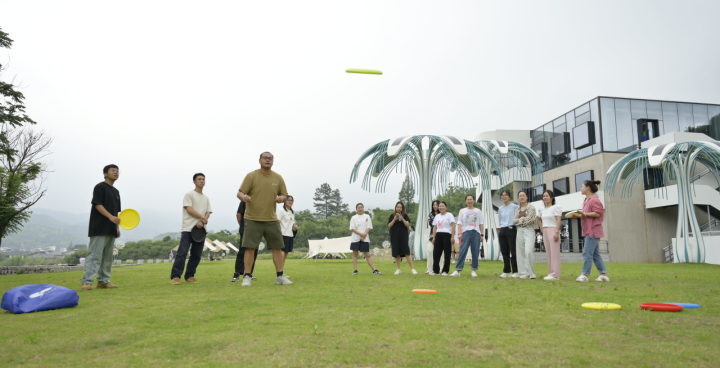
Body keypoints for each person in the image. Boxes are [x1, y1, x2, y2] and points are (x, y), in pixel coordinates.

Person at [236, 152, 291, 286]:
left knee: (277, 247)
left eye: (270, 158)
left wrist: (281, 198)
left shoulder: (278, 178)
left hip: (271, 219)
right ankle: (247, 277)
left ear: (273, 161)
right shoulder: (252, 176)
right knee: (250, 248)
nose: (267, 160)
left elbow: (285, 195)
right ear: (259, 160)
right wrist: (244, 197)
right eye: (265, 158)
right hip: (252, 218)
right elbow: (240, 192)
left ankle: (280, 276)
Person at [81, 164, 121, 290]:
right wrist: (110, 217)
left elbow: (116, 212)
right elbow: (97, 204)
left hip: (111, 228)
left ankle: (103, 281)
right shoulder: (100, 187)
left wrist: (117, 228)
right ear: (105, 173)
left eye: (117, 171)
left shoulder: (116, 192)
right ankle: (87, 281)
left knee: (107, 257)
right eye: (113, 171)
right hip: (99, 227)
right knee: (94, 256)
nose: (116, 173)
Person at [171, 173, 212, 285]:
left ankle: (189, 275)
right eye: (199, 179)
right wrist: (202, 217)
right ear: (194, 181)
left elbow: (208, 211)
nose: (202, 181)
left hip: (201, 230)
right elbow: (189, 209)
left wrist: (203, 221)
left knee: (197, 254)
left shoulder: (206, 198)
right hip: (188, 228)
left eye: (203, 179)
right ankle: (175, 276)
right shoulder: (189, 195)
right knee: (182, 252)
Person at [569, 180, 609, 282]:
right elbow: (586, 214)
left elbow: (597, 213)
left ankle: (585, 275)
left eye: (582, 186)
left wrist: (584, 214)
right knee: (595, 254)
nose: (581, 188)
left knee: (587, 252)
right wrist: (578, 215)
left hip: (594, 231)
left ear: (588, 188)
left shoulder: (594, 200)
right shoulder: (586, 200)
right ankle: (603, 274)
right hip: (588, 231)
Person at [450, 195, 484, 278]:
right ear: (466, 201)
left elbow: (481, 223)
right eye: (468, 199)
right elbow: (459, 223)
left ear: (473, 200)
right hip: (465, 232)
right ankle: (457, 270)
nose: (469, 201)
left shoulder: (478, 211)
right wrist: (459, 233)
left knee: (475, 251)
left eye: (471, 199)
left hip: (476, 232)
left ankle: (474, 270)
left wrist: (482, 234)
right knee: (462, 251)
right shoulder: (462, 211)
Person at [349, 203, 381, 275]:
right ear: (356, 209)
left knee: (367, 254)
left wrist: (364, 236)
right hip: (355, 238)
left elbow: (368, 226)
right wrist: (361, 234)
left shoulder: (367, 216)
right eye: (358, 208)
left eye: (361, 207)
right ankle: (355, 270)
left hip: (365, 238)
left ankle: (375, 270)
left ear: (363, 208)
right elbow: (353, 228)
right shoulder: (354, 217)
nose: (360, 209)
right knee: (355, 254)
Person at [231, 200, 258, 282]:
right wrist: (242, 226)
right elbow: (238, 214)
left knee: (254, 251)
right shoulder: (244, 201)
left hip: (257, 230)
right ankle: (237, 274)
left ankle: (249, 273)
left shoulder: (260, 200)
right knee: (242, 250)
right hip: (246, 229)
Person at [513, 190, 538, 279]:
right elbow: (514, 221)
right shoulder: (517, 209)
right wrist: (523, 219)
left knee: (528, 251)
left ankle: (531, 273)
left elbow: (530, 220)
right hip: (519, 230)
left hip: (529, 230)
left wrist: (519, 220)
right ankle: (523, 273)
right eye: (520, 196)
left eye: (523, 195)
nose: (522, 197)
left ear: (527, 197)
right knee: (520, 252)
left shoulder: (531, 208)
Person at [388, 201, 418, 275]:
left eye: (400, 207)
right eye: (397, 207)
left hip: (403, 236)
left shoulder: (405, 215)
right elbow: (389, 226)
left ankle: (412, 269)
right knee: (397, 253)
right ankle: (398, 269)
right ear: (395, 207)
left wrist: (402, 218)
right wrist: (394, 219)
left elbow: (407, 225)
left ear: (402, 208)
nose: (399, 208)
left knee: (407, 252)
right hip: (394, 236)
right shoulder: (392, 216)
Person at [538, 190, 562, 281]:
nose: (545, 197)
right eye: (544, 196)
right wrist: (541, 228)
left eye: (547, 196)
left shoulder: (556, 207)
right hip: (545, 230)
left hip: (553, 229)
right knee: (549, 253)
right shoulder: (541, 209)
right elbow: (539, 219)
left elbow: (559, 221)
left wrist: (556, 232)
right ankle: (550, 273)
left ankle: (555, 275)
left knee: (555, 253)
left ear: (552, 197)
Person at [497, 189, 518, 278]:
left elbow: (517, 219)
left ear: (509, 196)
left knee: (513, 251)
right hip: (503, 230)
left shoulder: (514, 206)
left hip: (512, 229)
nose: (504, 196)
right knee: (504, 251)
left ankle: (515, 271)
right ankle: (506, 271)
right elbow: (500, 220)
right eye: (502, 195)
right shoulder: (500, 208)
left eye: (506, 195)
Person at [431, 202, 455, 275]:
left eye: (443, 206)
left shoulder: (449, 215)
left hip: (447, 234)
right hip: (438, 234)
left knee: (447, 253)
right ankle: (436, 270)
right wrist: (434, 237)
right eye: (440, 206)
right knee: (436, 253)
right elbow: (435, 227)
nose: (441, 207)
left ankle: (445, 270)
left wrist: (452, 237)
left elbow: (453, 226)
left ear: (446, 207)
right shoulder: (437, 216)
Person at [277, 195, 298, 271]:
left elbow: (290, 223)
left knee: (285, 254)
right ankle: (279, 272)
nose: (290, 202)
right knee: (281, 254)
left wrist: (294, 227)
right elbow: (277, 222)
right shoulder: (281, 210)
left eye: (292, 200)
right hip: (283, 234)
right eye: (288, 200)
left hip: (290, 235)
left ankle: (281, 271)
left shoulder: (291, 212)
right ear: (285, 201)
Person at [426, 200, 440, 273]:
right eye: (434, 205)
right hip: (432, 235)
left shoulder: (443, 214)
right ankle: (429, 268)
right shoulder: (431, 214)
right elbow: (431, 224)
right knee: (430, 251)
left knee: (440, 253)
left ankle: (440, 268)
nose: (435, 206)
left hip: (441, 235)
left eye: (436, 205)